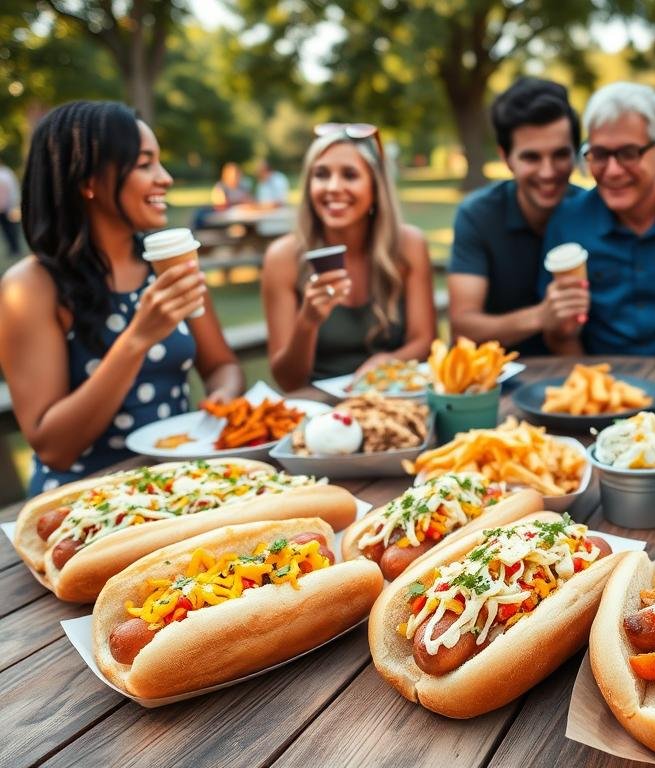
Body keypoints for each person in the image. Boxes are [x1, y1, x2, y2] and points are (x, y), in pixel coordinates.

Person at [0, 101, 244, 496]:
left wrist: (222, 400)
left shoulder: (165, 263)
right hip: (85, 505)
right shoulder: (30, 287)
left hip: (180, 486)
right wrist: (138, 337)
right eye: (145, 164)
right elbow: (54, 447)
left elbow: (222, 365)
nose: (164, 178)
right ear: (88, 180)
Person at [539, 82, 655, 356]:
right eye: (599, 154)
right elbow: (560, 337)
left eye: (628, 154)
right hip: (606, 384)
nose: (612, 171)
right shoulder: (568, 222)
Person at [261, 125, 436, 389]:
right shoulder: (283, 257)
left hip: (393, 394)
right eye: (321, 175)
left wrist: (389, 361)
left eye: (350, 175)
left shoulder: (409, 245)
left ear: (376, 187)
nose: (333, 187)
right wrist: (307, 322)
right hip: (320, 409)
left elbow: (424, 341)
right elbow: (288, 380)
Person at [448, 77, 581, 356]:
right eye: (531, 158)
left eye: (560, 155)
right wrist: (540, 317)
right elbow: (462, 327)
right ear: (506, 158)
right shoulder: (477, 216)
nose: (548, 172)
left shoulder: (592, 211)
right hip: (498, 378)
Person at [0, 160, 21, 259]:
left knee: (11, 229)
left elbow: (13, 189)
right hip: (1, 208)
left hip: (9, 206)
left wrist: (14, 204)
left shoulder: (6, 173)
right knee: (5, 230)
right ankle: (12, 249)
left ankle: (15, 249)